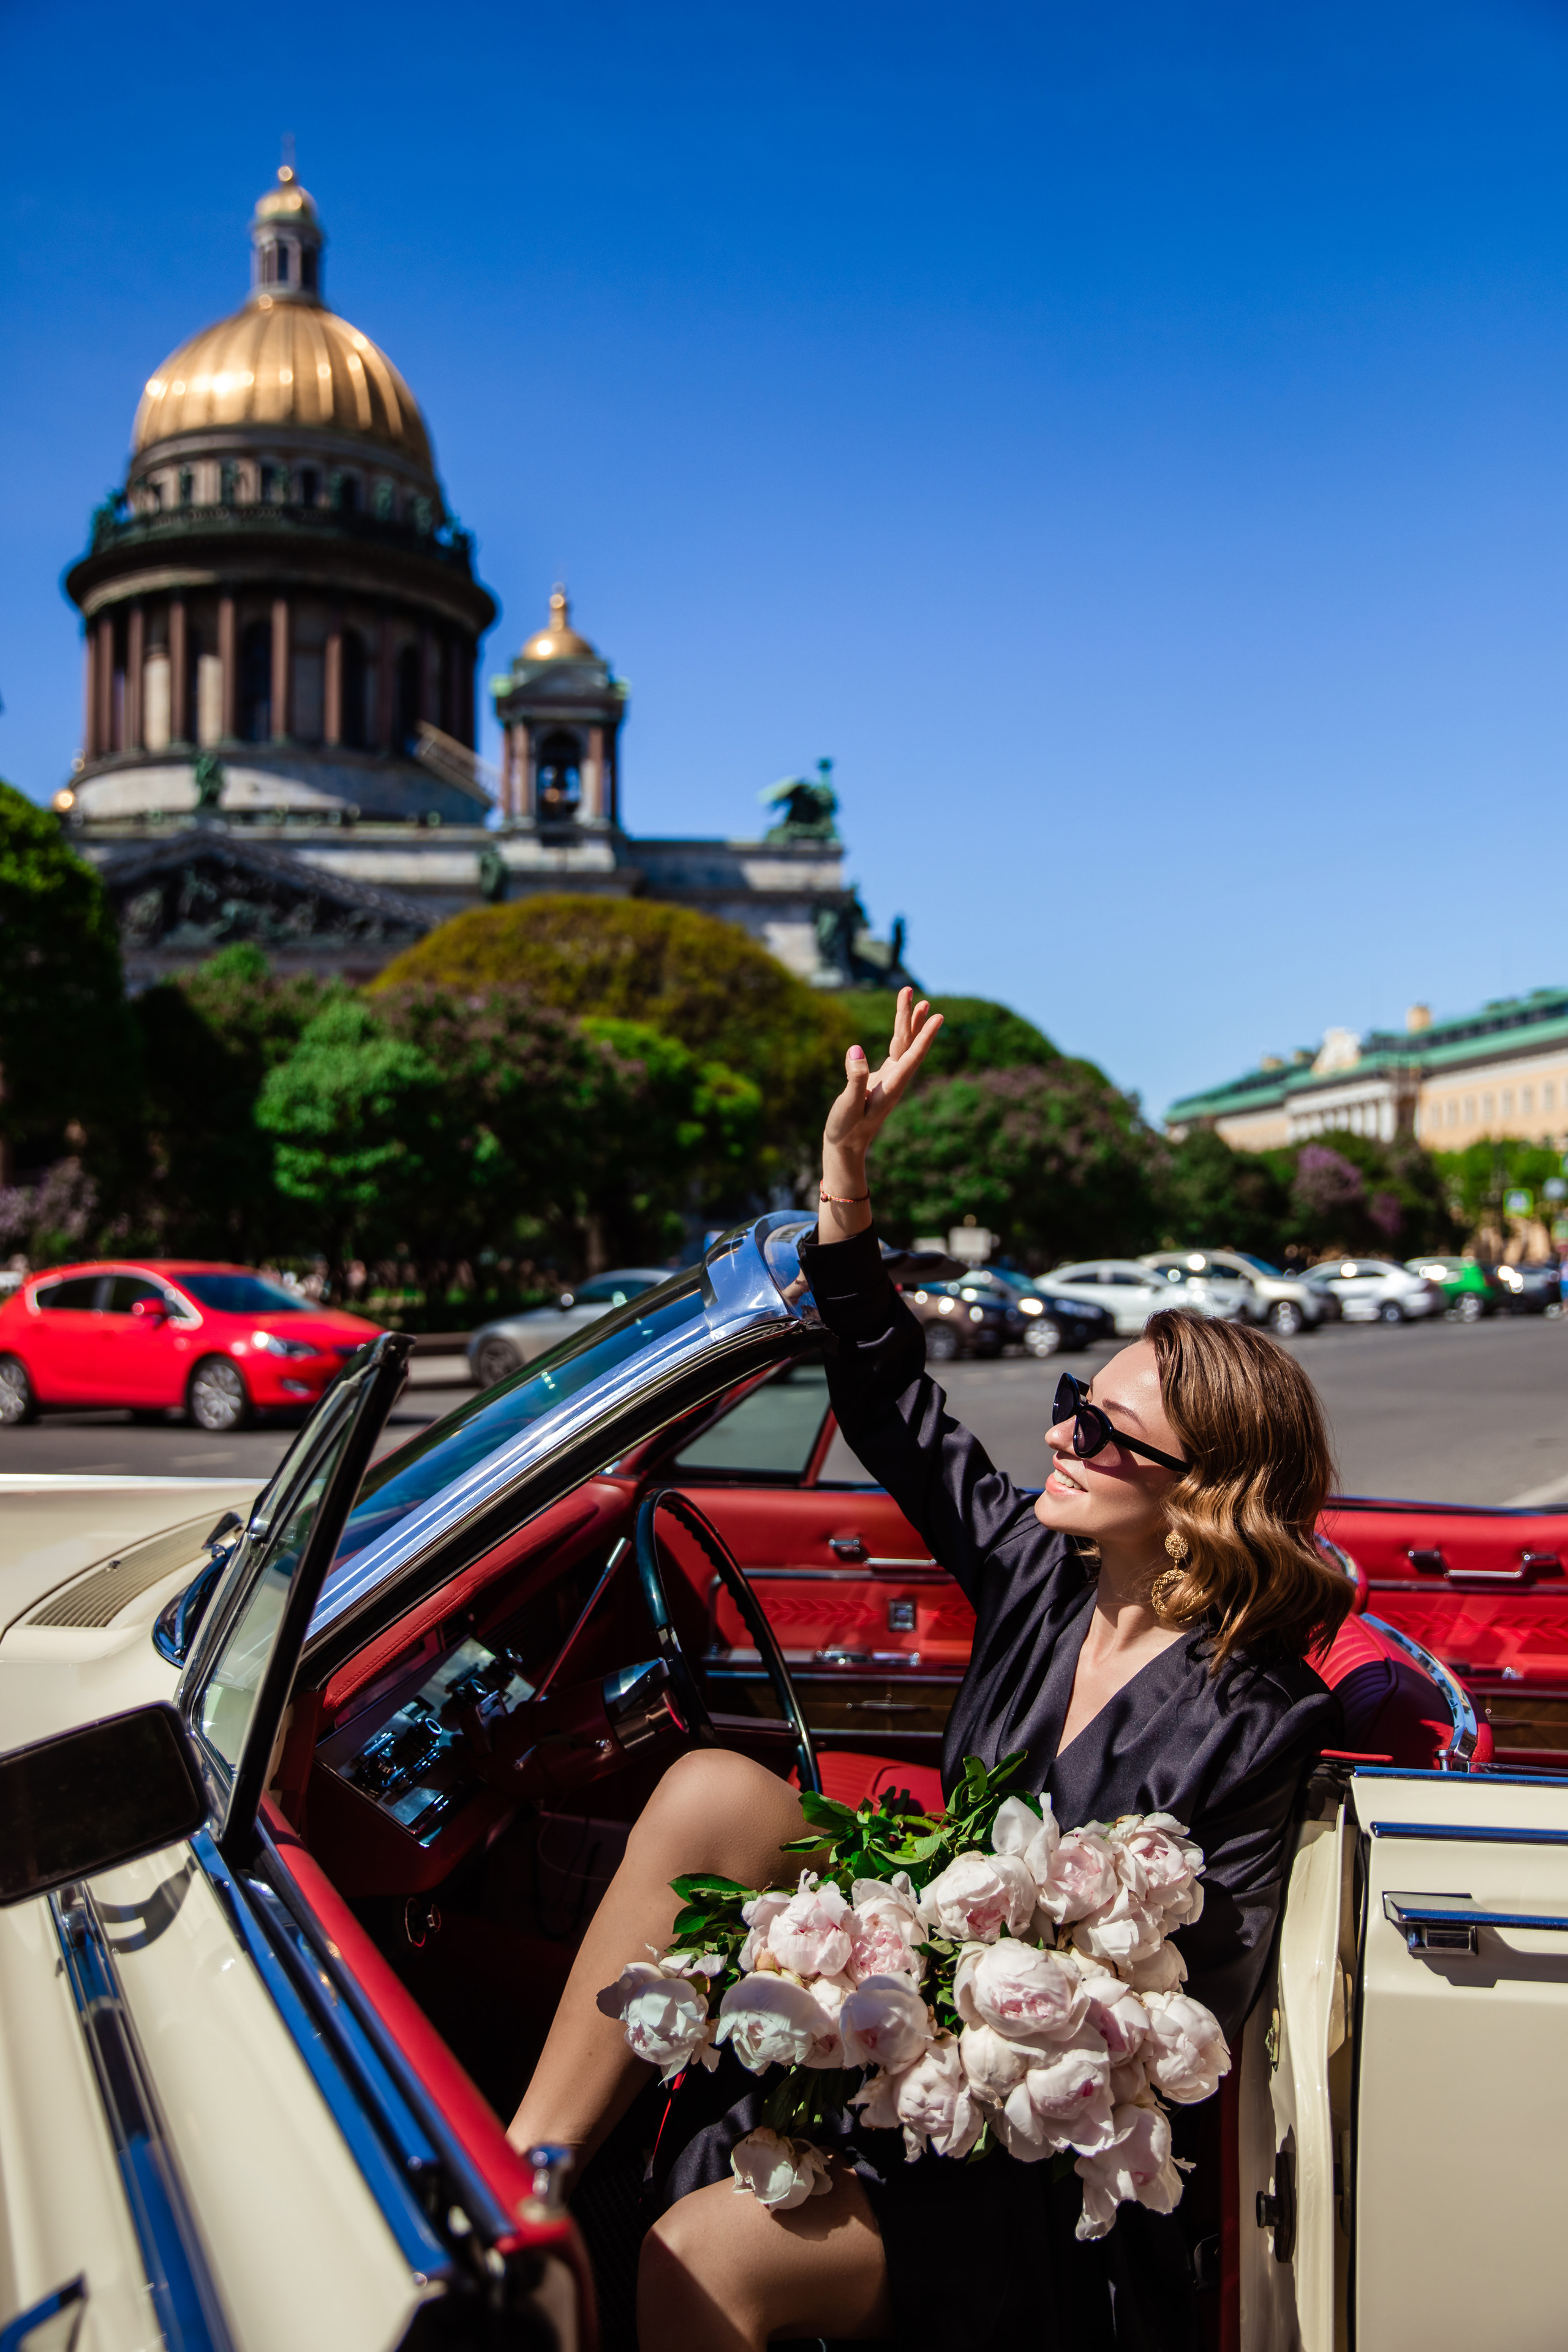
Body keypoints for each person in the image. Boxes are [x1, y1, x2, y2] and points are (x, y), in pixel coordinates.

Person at [511, 988, 1349, 2352]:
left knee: (699, 2255)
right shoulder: (1039, 1578)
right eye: (1075, 1399)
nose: (1063, 1435)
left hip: (1034, 2155)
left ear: (1202, 1493)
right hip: (902, 2041)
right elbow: (894, 1404)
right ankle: (525, 2195)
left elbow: (1189, 2007)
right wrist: (845, 1182)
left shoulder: (1253, 1714)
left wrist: (939, 1997)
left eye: (1105, 1432)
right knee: (717, 1791)